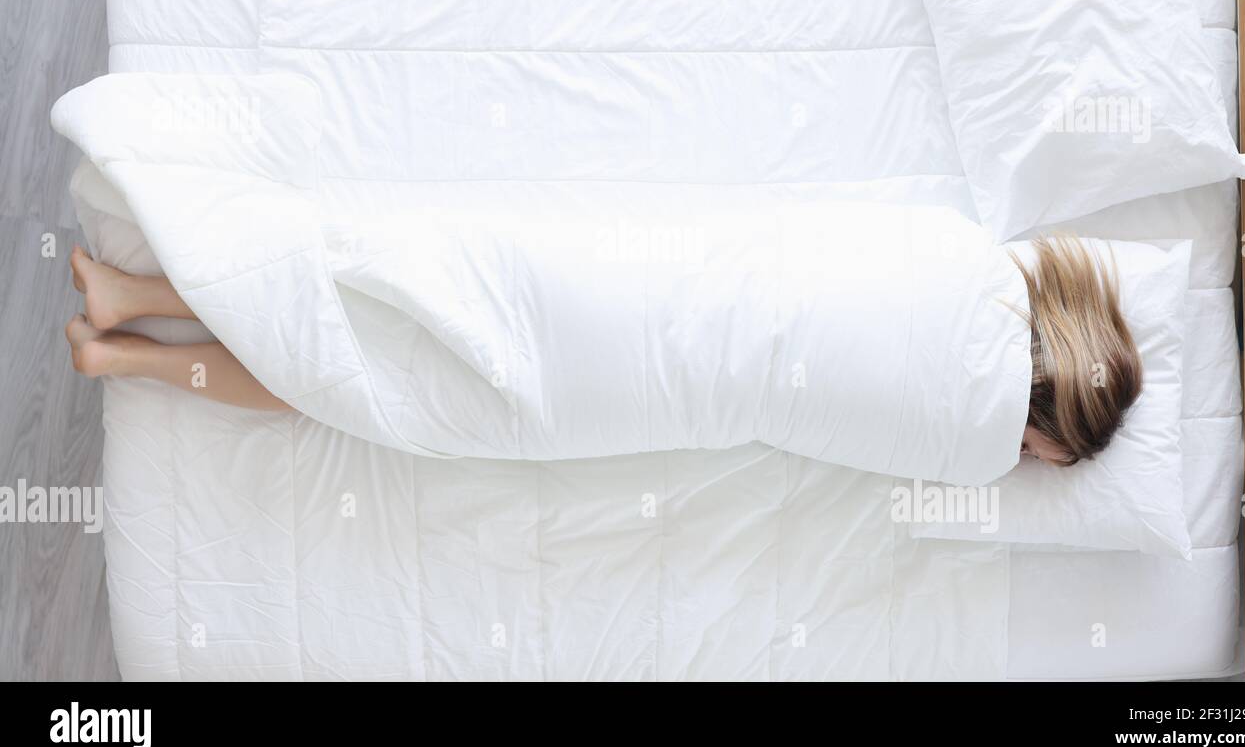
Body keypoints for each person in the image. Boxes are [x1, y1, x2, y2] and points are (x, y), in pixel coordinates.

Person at [64, 235, 1142, 465]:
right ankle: (131, 357)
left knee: (388, 289)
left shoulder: (979, 263)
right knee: (366, 388)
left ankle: (139, 291)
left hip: (641, 276)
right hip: (633, 393)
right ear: (1056, 426)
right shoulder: (973, 444)